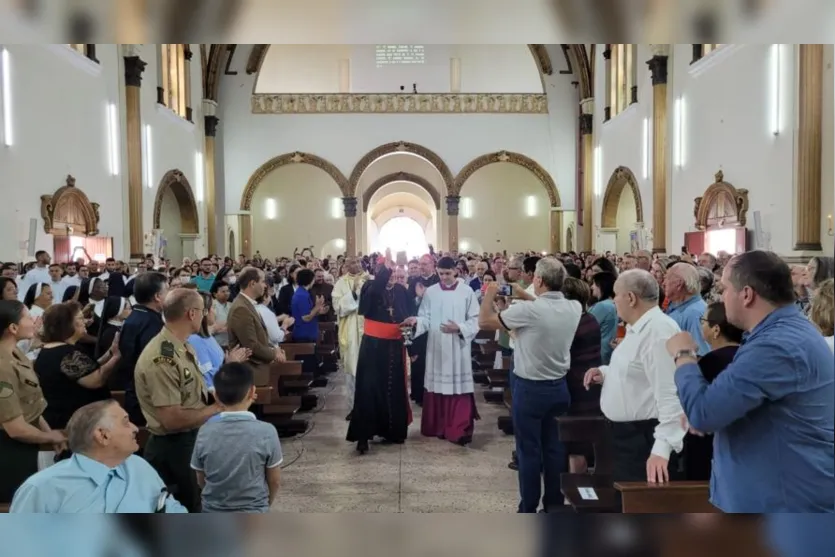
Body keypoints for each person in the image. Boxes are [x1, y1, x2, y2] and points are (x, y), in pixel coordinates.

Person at [668, 250, 834, 512]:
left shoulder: (775, 346)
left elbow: (702, 413)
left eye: (725, 289)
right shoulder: (787, 332)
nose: (722, 297)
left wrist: (684, 355)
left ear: (746, 294)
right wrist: (715, 412)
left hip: (780, 503)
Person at [479, 258, 582, 513]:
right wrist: (524, 294)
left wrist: (489, 294)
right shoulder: (574, 307)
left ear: (539, 280)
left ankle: (528, 506)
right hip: (559, 388)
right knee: (555, 450)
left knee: (528, 451)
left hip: (530, 389)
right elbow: (547, 309)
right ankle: (555, 505)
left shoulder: (529, 312)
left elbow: (485, 321)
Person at [583, 269, 685, 486]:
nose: (613, 301)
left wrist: (662, 449)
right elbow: (637, 370)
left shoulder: (658, 331)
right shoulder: (639, 328)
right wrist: (604, 373)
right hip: (626, 437)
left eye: (616, 295)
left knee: (643, 511)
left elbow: (672, 394)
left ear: (630, 298)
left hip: (644, 439)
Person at [10, 400, 187, 513]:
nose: (135, 428)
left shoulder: (140, 467)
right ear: (102, 435)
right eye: (126, 422)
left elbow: (170, 510)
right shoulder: (42, 488)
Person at [134, 289, 221, 513]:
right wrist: (217, 408)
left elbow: (191, 394)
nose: (204, 316)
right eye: (202, 311)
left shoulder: (181, 345)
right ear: (192, 314)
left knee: (196, 503)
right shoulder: (163, 357)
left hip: (189, 440)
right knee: (184, 508)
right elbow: (171, 419)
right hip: (173, 449)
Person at [403, 256, 480, 445]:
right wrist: (416, 321)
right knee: (438, 386)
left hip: (458, 347)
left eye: (447, 273)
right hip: (437, 346)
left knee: (458, 387)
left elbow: (476, 319)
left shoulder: (466, 291)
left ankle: (459, 428)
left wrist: (460, 328)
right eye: (441, 273)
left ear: (455, 271)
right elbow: (425, 318)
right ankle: (438, 426)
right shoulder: (431, 292)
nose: (444, 277)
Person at [190, 362, 283, 513]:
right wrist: (266, 504)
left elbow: (201, 478)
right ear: (253, 391)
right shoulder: (267, 432)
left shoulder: (204, 431)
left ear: (216, 396)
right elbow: (275, 480)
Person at [347, 253, 415, 455]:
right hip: (373, 347)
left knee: (392, 388)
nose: (393, 276)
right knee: (369, 389)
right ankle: (363, 435)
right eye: (389, 272)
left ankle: (392, 431)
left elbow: (408, 314)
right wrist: (384, 269)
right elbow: (366, 306)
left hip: (394, 347)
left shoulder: (401, 291)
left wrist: (410, 339)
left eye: (395, 273)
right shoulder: (370, 287)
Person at [0, 300, 66, 503]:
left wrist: (47, 434)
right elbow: (15, 428)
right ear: (13, 328)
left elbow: (33, 408)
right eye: (28, 317)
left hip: (26, 445)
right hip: (8, 452)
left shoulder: (16, 353)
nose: (35, 321)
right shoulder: (2, 366)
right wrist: (52, 437)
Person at [35, 301, 121, 431]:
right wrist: (116, 358)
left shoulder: (59, 349)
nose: (85, 321)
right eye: (80, 318)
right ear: (68, 324)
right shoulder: (66, 354)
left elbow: (89, 368)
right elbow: (95, 379)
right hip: (71, 423)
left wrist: (110, 353)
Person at [682, 301, 743, 482]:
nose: (701, 325)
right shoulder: (748, 356)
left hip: (710, 444)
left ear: (716, 330)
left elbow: (697, 402)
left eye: (703, 321)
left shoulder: (710, 362)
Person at [118, 272, 168, 426]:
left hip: (135, 389)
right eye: (167, 290)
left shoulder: (135, 316)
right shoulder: (152, 323)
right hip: (147, 396)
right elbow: (158, 361)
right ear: (158, 296)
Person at [226, 268, 286, 388]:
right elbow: (251, 345)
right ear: (252, 283)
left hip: (257, 371)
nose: (265, 286)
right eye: (263, 281)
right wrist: (274, 352)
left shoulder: (247, 304)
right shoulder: (241, 308)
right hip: (251, 371)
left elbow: (259, 337)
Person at [331, 256, 369, 420]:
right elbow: (338, 307)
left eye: (358, 262)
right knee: (352, 370)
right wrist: (353, 292)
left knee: (369, 370)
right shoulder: (340, 283)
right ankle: (354, 408)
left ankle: (370, 407)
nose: (356, 265)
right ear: (345, 266)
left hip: (369, 328)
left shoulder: (370, 280)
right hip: (351, 332)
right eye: (352, 263)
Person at [406, 255, 440, 406]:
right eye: (420, 264)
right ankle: (419, 394)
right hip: (418, 327)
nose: (421, 267)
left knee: (434, 359)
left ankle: (434, 393)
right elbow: (409, 304)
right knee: (418, 360)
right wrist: (418, 298)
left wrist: (426, 296)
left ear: (432, 264)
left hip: (435, 326)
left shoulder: (439, 281)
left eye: (424, 264)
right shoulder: (413, 281)